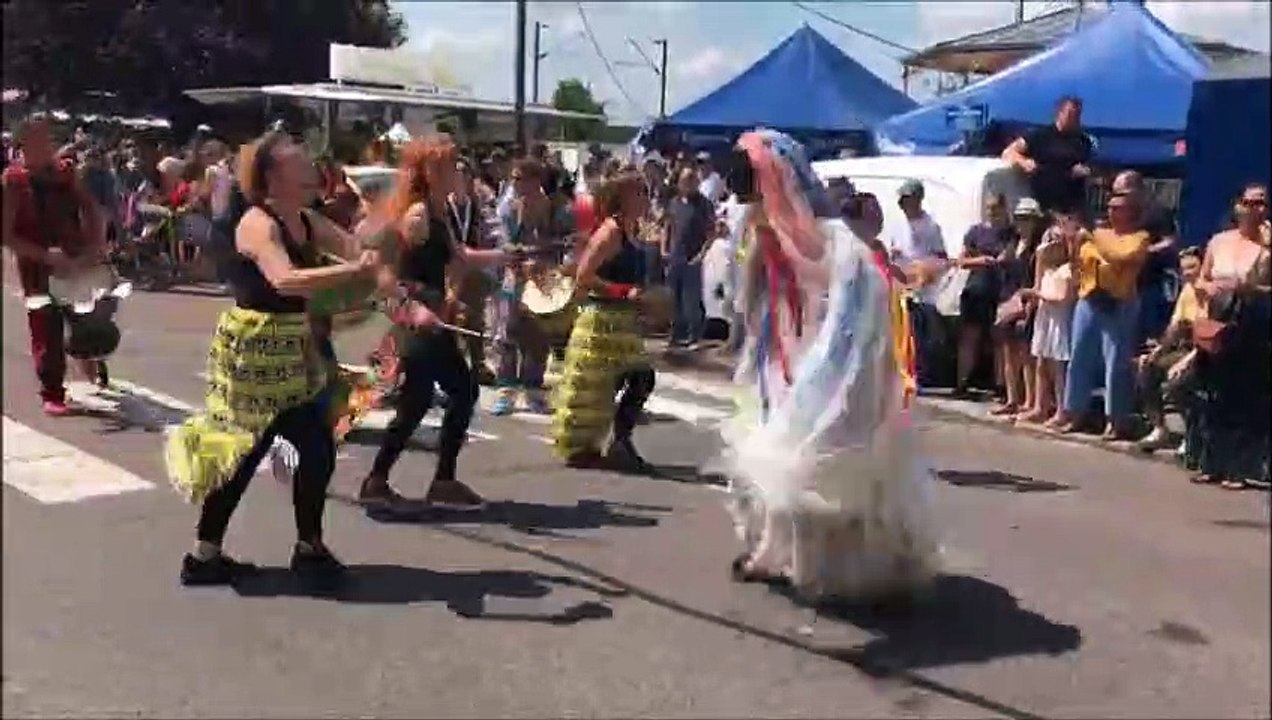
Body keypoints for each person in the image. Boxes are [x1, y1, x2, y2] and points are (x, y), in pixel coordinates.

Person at [717, 130, 935, 603]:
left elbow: (854, 324)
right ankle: (774, 554)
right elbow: (750, 307)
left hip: (837, 373)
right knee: (774, 463)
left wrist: (820, 384)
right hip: (779, 369)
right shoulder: (761, 235)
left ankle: (847, 568)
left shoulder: (841, 247)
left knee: (827, 470)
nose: (752, 203)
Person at [165, 131, 378, 588]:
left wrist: (387, 239)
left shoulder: (305, 218)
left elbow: (358, 250)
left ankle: (307, 548)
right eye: (299, 161)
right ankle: (206, 555)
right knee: (244, 453)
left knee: (316, 447)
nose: (309, 165)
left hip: (293, 353)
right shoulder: (257, 223)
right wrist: (352, 272)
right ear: (274, 175)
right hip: (255, 351)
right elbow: (284, 280)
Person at [356, 136, 514, 510]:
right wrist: (414, 309)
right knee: (434, 397)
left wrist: (505, 255)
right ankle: (397, 480)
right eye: (445, 165)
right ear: (427, 171)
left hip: (431, 315)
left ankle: (422, 480)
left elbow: (460, 257)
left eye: (454, 163)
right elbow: (385, 272)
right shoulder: (417, 215)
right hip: (417, 317)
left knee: (440, 395)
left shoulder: (437, 211)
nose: (454, 171)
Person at [551, 167, 656, 469]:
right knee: (609, 384)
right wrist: (622, 292)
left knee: (637, 378)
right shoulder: (610, 231)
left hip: (622, 322)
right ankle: (608, 444)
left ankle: (619, 441)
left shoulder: (632, 230)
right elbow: (584, 275)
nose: (646, 199)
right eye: (640, 192)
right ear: (623, 197)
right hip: (602, 320)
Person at [1, 117, 106, 415]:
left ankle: (89, 357)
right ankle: (52, 390)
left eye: (47, 140)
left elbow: (93, 211)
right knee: (45, 325)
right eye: (37, 141)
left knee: (84, 316)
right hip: (36, 265)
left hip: (74, 259)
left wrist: (95, 247)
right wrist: (45, 256)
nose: (45, 147)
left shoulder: (66, 173)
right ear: (22, 145)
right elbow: (6, 234)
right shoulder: (13, 180)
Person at [1184, 183, 1270, 490]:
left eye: (1261, 203)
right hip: (1216, 321)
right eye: (1249, 203)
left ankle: (1237, 469)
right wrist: (1205, 287)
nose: (1255, 209)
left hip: (1249, 324)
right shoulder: (1219, 241)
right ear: (1238, 207)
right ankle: (1209, 463)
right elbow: (1202, 278)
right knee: (1209, 395)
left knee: (1241, 397)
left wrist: (1251, 289)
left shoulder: (1265, 249)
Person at [1054, 191, 1150, 439]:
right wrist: (1075, 243)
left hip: (1119, 302)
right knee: (1079, 356)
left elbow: (1121, 257)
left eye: (1119, 208)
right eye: (1110, 207)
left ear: (1131, 212)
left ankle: (1115, 419)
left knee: (1116, 361)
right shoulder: (1099, 234)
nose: (1112, 212)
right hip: (1090, 298)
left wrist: (1093, 238)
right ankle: (1074, 412)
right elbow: (1080, 259)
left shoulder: (1138, 237)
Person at [491, 157, 572, 415]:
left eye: (519, 178)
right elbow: (501, 237)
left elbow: (567, 242)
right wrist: (512, 248)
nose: (514, 183)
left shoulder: (556, 208)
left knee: (537, 336)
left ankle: (533, 390)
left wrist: (540, 249)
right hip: (514, 277)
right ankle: (506, 390)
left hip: (543, 277)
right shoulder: (508, 208)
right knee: (507, 334)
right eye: (513, 178)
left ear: (535, 181)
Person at [1134, 247, 1202, 449]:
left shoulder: (1209, 291)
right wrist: (1156, 352)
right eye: (1184, 269)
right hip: (1183, 347)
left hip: (1202, 351)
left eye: (1192, 267)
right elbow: (1175, 327)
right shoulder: (1186, 291)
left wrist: (1184, 362)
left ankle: (1192, 435)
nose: (1188, 273)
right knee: (1147, 370)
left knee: (1178, 383)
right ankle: (1160, 429)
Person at [1020, 217, 1078, 425]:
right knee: (1041, 363)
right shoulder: (1046, 269)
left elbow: (1064, 297)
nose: (1050, 245)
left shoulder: (1069, 270)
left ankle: (1062, 410)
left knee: (1057, 367)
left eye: (1055, 240)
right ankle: (1039, 406)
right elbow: (1037, 287)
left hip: (1059, 319)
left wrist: (1041, 296)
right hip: (1045, 317)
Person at [953, 194, 1013, 397]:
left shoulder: (1010, 233)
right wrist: (984, 260)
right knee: (970, 337)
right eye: (989, 208)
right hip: (976, 288)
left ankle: (1001, 386)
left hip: (1001, 290)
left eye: (996, 207)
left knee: (999, 339)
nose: (992, 211)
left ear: (1004, 208)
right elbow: (961, 261)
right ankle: (961, 383)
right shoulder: (975, 232)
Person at [992, 198, 1045, 416]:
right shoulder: (1013, 244)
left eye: (1028, 218)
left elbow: (1035, 278)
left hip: (1027, 300)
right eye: (1021, 218)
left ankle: (1030, 400)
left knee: (1026, 355)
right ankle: (1012, 398)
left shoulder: (1038, 248)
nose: (1024, 223)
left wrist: (1029, 302)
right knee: (1008, 353)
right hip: (1009, 299)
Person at [1001, 96, 1094, 216]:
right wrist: (1023, 161)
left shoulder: (1083, 141)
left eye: (1077, 115)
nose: (1075, 119)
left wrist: (1084, 170)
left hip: (1072, 206)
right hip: (1043, 204)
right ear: (1059, 113)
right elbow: (1008, 152)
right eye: (1070, 114)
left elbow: (1089, 167)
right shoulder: (1040, 136)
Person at [662, 167, 716, 349]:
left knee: (691, 299)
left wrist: (701, 255)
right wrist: (664, 248)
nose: (688, 184)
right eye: (685, 181)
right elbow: (667, 226)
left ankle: (694, 335)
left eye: (692, 180)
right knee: (673, 297)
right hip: (675, 256)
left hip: (692, 257)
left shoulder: (704, 204)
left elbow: (711, 232)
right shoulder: (674, 202)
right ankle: (676, 333)